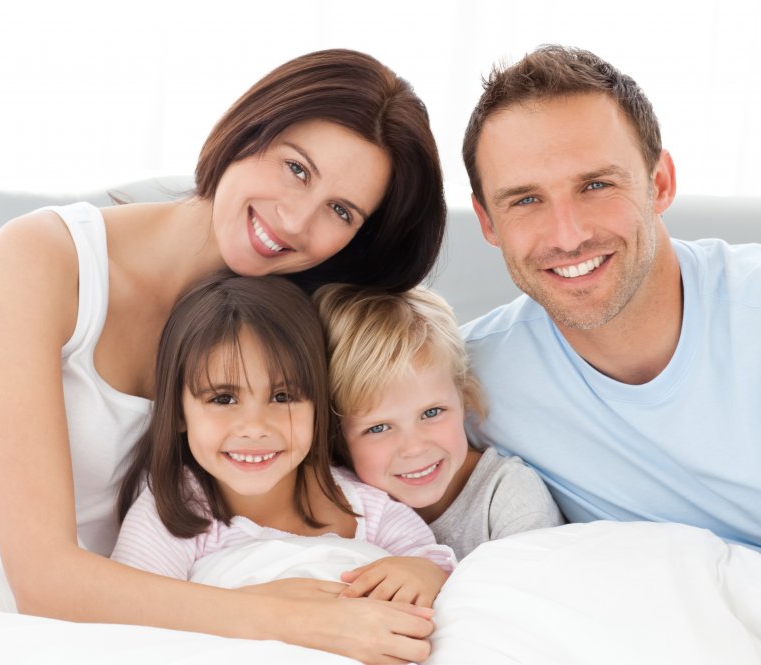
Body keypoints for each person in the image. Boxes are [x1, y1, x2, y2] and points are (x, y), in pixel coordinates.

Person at [0, 48, 447, 663]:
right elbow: (42, 579)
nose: (297, 219)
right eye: (297, 169)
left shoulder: (279, 330)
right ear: (248, 129)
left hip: (141, 625)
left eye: (341, 211)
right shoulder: (43, 258)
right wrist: (279, 617)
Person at [460, 44, 761, 551]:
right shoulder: (467, 383)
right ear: (488, 222)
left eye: (596, 185)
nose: (568, 235)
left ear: (659, 183)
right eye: (526, 200)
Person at [112, 273, 454, 607]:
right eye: (223, 399)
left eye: (282, 396)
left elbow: (431, 564)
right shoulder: (175, 511)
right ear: (179, 412)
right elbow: (130, 608)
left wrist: (423, 572)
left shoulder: (364, 507)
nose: (255, 427)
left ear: (317, 404)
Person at [314, 284, 563, 561]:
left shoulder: (508, 495)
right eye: (378, 428)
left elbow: (529, 596)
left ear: (464, 396)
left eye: (431, 413)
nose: (415, 448)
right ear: (336, 437)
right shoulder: (343, 506)